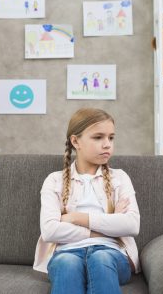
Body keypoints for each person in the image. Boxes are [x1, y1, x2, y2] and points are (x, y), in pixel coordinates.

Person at [33, 108, 140, 294]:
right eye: (98, 137)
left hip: (111, 254)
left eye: (111, 138)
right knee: (68, 263)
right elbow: (50, 230)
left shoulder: (120, 178)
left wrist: (75, 217)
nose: (107, 144)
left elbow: (132, 225)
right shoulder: (54, 180)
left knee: (101, 259)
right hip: (66, 253)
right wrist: (109, 225)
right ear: (75, 141)